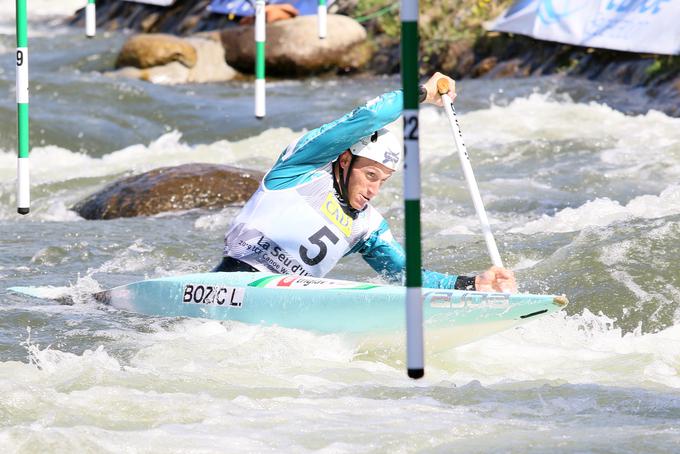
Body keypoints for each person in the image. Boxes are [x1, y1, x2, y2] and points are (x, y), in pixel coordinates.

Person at [213, 72, 517, 293]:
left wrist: (473, 284)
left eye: (382, 181)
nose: (374, 190)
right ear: (345, 161)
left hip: (283, 304)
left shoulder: (368, 227)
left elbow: (407, 276)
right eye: (370, 175)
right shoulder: (297, 170)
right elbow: (369, 116)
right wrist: (422, 93)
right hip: (228, 283)